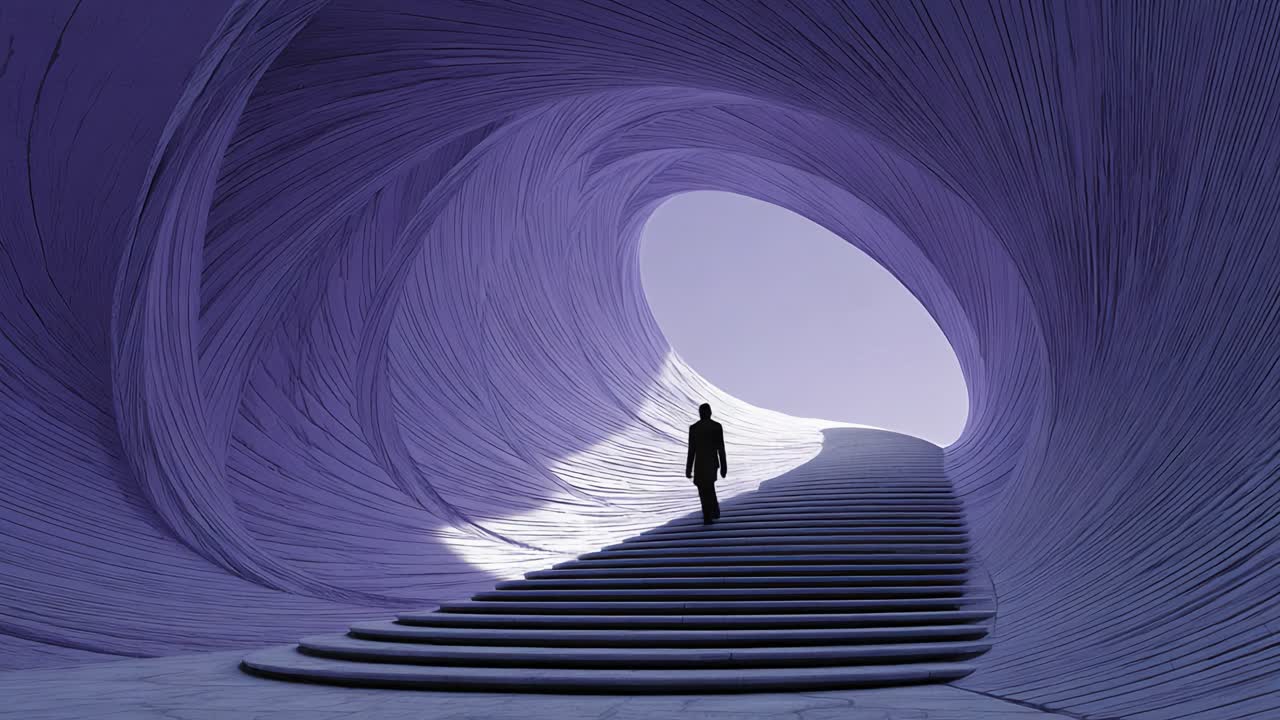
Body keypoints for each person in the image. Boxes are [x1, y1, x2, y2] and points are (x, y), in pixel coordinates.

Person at [685, 403, 727, 524]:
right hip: (712, 463)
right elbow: (721, 448)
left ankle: (708, 514)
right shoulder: (716, 426)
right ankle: (713, 512)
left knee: (703, 489)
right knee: (709, 487)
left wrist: (688, 468)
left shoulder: (694, 428)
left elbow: (691, 451)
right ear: (710, 412)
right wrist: (724, 466)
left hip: (699, 465)